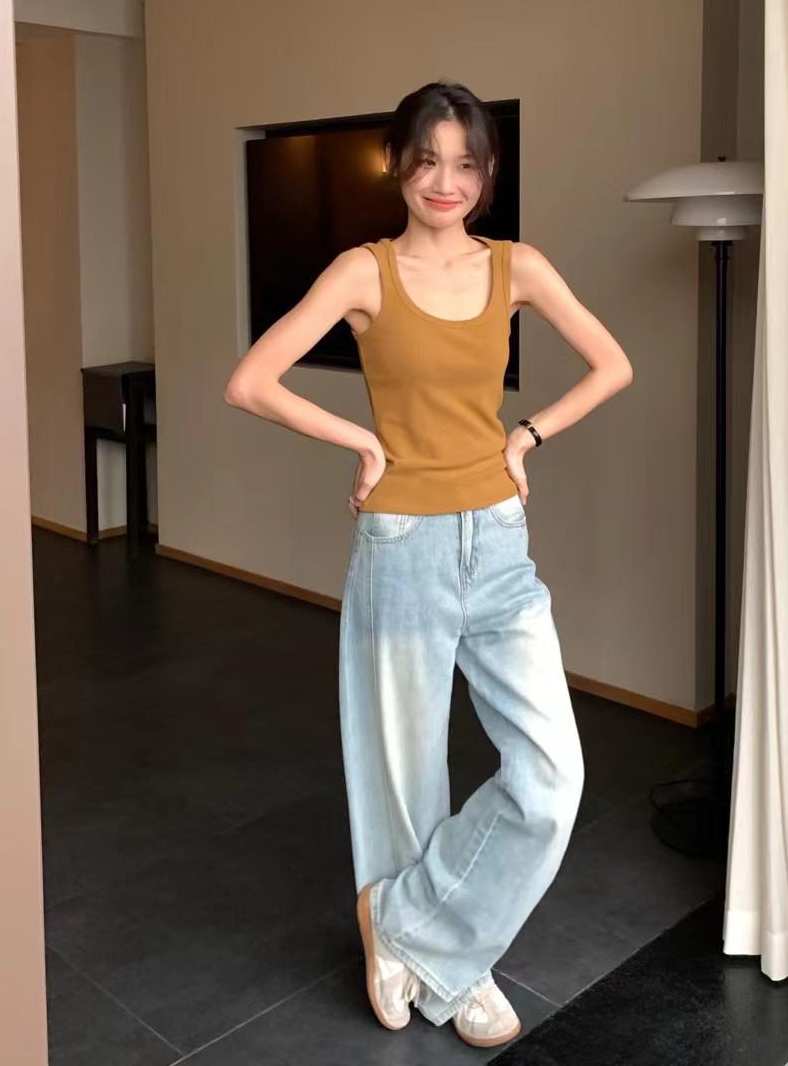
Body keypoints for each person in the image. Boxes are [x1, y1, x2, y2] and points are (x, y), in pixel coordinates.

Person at [224, 80, 633, 1047]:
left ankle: (412, 929)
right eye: (427, 160)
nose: (445, 182)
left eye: (466, 164)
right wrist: (362, 442)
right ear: (397, 165)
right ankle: (452, 968)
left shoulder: (518, 266)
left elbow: (613, 364)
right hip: (402, 545)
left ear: (487, 174)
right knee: (406, 777)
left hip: (498, 542)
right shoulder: (362, 272)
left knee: (552, 775)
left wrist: (527, 435)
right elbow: (250, 382)